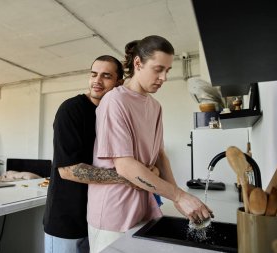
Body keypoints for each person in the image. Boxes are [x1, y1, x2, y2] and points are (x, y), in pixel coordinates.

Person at [87, 35, 214, 253]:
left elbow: (159, 155)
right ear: (138, 63)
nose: (164, 77)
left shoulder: (155, 106)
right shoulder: (114, 101)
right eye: (158, 69)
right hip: (113, 213)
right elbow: (125, 165)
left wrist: (177, 196)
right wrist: (178, 196)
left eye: (167, 70)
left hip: (144, 207)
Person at [43, 55, 129, 253]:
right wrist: (128, 178)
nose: (97, 81)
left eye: (106, 76)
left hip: (99, 219)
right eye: (93, 74)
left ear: (119, 82)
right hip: (67, 222)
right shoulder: (71, 110)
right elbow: (68, 170)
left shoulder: (112, 114)